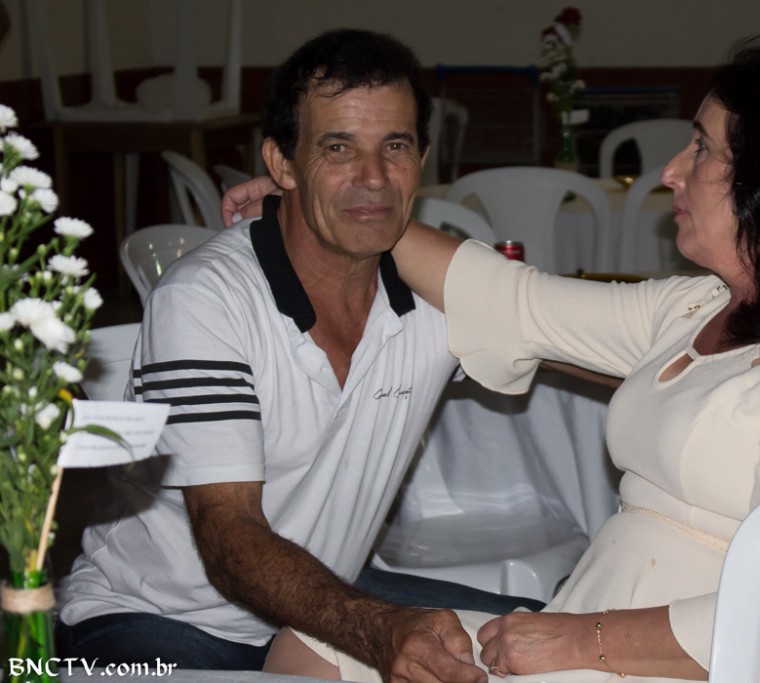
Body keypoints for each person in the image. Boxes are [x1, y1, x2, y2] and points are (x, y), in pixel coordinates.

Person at [241, 38, 760, 682]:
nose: (671, 172)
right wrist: (338, 204)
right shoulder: (697, 308)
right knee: (314, 648)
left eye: (702, 150)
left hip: (684, 664)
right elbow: (516, 304)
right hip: (579, 635)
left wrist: (579, 639)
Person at [56, 28, 535, 682]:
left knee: (550, 642)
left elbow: (576, 338)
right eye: (338, 148)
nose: (373, 177)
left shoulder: (435, 299)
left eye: (394, 147)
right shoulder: (207, 299)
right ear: (281, 164)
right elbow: (228, 539)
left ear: (421, 159)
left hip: (319, 599)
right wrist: (377, 628)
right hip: (157, 620)